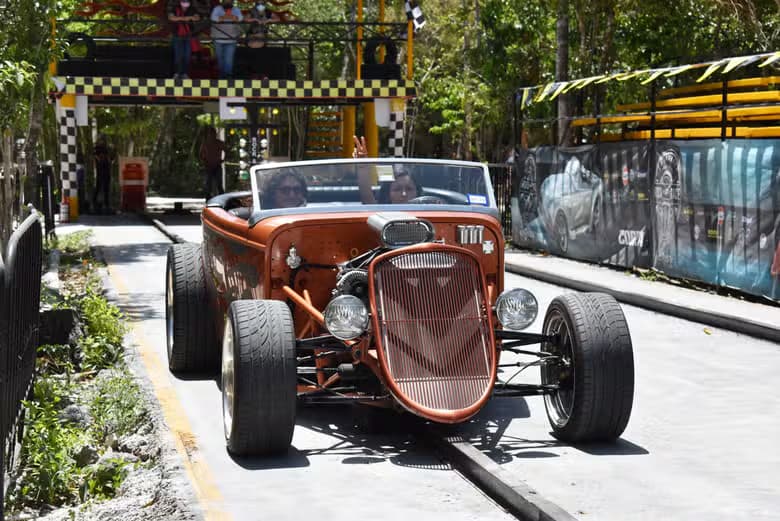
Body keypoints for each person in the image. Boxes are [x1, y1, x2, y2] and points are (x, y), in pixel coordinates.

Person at [353, 135, 421, 204]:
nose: (404, 194)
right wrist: (362, 167)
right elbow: (367, 199)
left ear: (417, 192)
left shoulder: (427, 210)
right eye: (397, 189)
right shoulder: (381, 212)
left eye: (409, 189)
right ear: (388, 193)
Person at [210, 1, 243, 79]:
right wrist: (231, 17)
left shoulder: (236, 9)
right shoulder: (217, 9)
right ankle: (221, 77)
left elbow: (240, 18)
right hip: (218, 39)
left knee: (229, 60)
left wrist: (223, 17)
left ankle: (228, 78)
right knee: (220, 60)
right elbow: (214, 18)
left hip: (231, 39)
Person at [168, 0, 200, 79]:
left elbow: (197, 18)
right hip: (177, 35)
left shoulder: (192, 9)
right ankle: (177, 73)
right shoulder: (175, 8)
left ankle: (185, 73)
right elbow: (171, 18)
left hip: (188, 36)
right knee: (178, 56)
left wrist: (180, 18)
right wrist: (188, 18)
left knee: (187, 56)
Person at [199, 127, 225, 199]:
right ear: (208, 134)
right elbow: (200, 154)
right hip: (208, 166)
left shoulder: (219, 143)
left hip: (217, 165)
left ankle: (222, 199)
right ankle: (208, 199)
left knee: (219, 184)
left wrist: (222, 160)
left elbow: (226, 150)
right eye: (210, 133)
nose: (211, 135)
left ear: (215, 134)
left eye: (213, 133)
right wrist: (205, 161)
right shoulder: (205, 143)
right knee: (208, 184)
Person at [92, 134, 113, 214]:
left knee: (106, 188)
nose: (102, 141)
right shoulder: (97, 149)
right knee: (98, 187)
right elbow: (95, 157)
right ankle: (95, 203)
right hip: (100, 170)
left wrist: (108, 159)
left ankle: (106, 205)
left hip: (106, 169)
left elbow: (110, 158)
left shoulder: (107, 148)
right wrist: (100, 159)